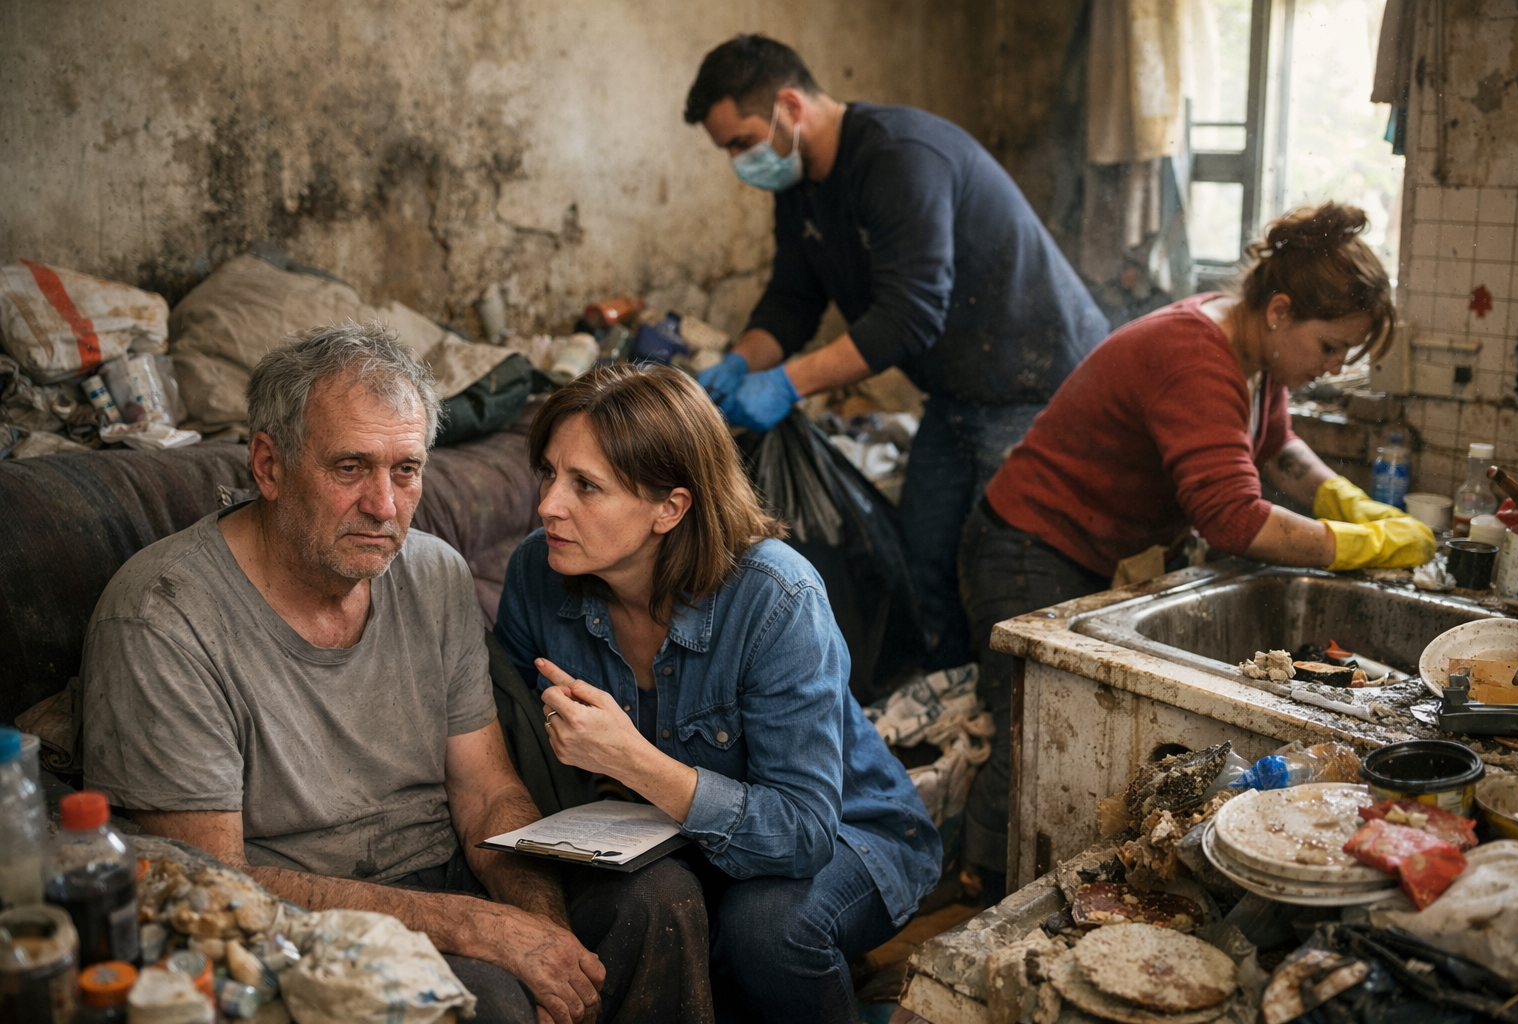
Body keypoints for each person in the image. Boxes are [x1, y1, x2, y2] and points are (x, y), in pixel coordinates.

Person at [81, 324, 711, 1024]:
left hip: (450, 870)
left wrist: (544, 932)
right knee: (492, 1001)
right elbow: (213, 881)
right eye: (350, 468)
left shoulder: (434, 572)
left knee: (661, 900)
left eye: (405, 470)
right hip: (302, 911)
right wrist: (476, 929)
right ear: (268, 467)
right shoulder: (163, 615)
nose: (384, 506)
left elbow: (486, 792)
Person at [958, 204, 1435, 890]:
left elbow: (1275, 444)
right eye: (1331, 347)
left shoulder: (1255, 352)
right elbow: (1233, 521)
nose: (1333, 366)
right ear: (1279, 311)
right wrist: (1366, 543)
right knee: (1029, 735)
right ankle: (986, 890)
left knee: (1043, 733)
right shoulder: (1194, 353)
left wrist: (1345, 498)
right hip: (1030, 543)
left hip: (1089, 546)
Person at [493, 362, 942, 1024]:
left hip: (848, 833)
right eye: (549, 474)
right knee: (655, 905)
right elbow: (505, 737)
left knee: (765, 926)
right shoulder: (538, 569)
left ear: (670, 508)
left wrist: (631, 761)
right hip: (667, 837)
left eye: (585, 485)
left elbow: (803, 833)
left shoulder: (777, 597)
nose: (549, 505)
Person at [684, 35, 1109, 669]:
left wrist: (788, 384)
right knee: (924, 556)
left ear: (789, 107)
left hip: (1041, 389)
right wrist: (744, 360)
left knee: (1004, 571)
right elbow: (792, 299)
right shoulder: (800, 185)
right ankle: (950, 697)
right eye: (728, 149)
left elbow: (909, 315)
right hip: (958, 394)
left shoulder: (899, 156)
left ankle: (1012, 714)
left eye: (743, 142)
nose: (739, 162)